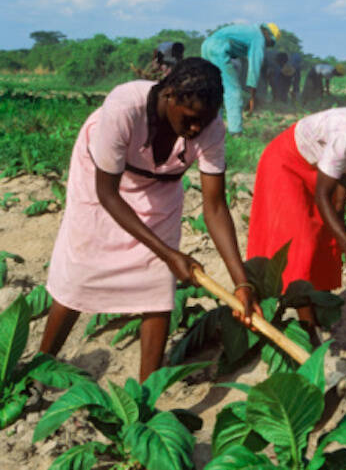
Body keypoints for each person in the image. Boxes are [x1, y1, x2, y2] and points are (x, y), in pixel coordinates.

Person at [39, 58, 262, 382]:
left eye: (206, 120)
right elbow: (108, 194)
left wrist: (241, 283)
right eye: (190, 118)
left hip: (161, 185)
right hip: (101, 177)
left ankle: (147, 392)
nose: (197, 128)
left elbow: (214, 207)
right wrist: (170, 254)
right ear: (169, 95)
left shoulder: (210, 128)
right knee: (80, 270)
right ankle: (39, 369)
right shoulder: (124, 108)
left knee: (157, 282)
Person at [246, 91, 346, 324]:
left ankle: (318, 303)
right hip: (285, 163)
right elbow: (322, 196)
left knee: (327, 235)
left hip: (318, 167)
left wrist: (342, 238)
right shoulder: (345, 137)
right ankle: (309, 327)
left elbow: (340, 195)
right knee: (302, 240)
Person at [200, 22, 280, 134]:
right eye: (270, 43)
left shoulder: (251, 31)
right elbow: (254, 67)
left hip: (206, 46)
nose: (267, 46)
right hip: (219, 50)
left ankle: (211, 129)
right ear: (268, 35)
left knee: (215, 91)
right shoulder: (259, 38)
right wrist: (252, 97)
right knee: (233, 91)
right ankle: (236, 132)